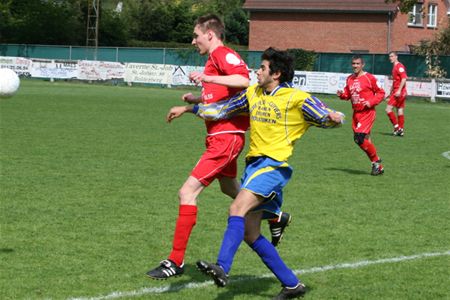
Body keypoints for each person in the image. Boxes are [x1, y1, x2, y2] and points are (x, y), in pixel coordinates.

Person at [166, 47, 344, 299]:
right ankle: (293, 285)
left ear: (277, 73)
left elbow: (326, 116)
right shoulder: (253, 93)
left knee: (236, 208)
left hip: (274, 167)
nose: (256, 71)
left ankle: (222, 267)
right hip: (254, 167)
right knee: (250, 234)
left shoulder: (296, 98)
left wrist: (335, 118)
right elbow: (220, 110)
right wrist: (188, 109)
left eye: (262, 68)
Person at [146, 15, 291, 280]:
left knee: (186, 192)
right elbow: (221, 97)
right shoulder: (213, 60)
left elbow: (243, 81)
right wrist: (195, 100)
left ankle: (175, 261)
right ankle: (274, 214)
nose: (193, 41)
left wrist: (207, 79)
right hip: (221, 136)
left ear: (210, 35)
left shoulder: (223, 54)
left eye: (196, 35)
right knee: (229, 188)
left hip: (226, 138)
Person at [337, 55, 385, 176]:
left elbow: (381, 93)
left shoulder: (369, 78)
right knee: (366, 140)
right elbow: (348, 94)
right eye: (353, 63)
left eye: (358, 64)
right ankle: (377, 166)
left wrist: (371, 102)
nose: (355, 66)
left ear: (362, 65)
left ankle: (376, 161)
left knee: (359, 138)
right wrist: (342, 95)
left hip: (367, 113)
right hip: (356, 113)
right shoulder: (349, 79)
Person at [386, 51, 407, 137]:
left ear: (396, 57)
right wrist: (390, 92)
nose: (390, 58)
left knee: (388, 109)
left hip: (399, 92)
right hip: (397, 91)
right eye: (389, 56)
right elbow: (395, 81)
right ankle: (401, 130)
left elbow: (404, 79)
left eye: (392, 56)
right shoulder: (394, 66)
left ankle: (397, 127)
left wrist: (398, 90)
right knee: (399, 110)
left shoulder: (399, 66)